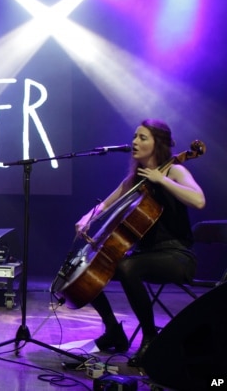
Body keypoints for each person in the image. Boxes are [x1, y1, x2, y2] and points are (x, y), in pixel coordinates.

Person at [74, 119, 205, 367]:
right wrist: (86, 219)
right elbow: (104, 206)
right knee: (87, 270)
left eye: (143, 137)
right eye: (135, 136)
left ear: (159, 143)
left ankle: (150, 337)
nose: (135, 142)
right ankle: (113, 330)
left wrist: (162, 179)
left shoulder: (174, 171)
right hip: (144, 255)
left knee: (127, 267)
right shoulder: (134, 180)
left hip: (177, 256)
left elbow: (198, 201)